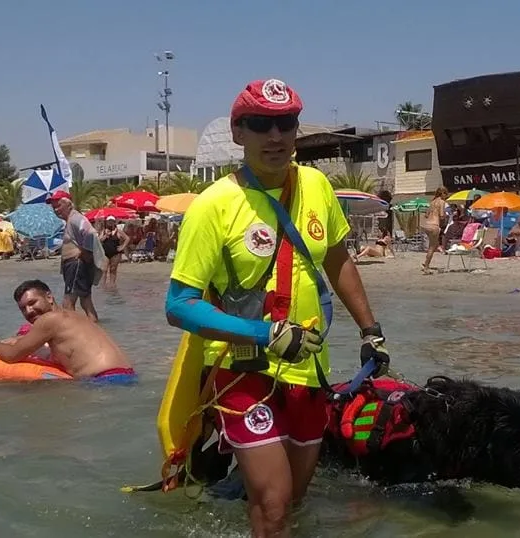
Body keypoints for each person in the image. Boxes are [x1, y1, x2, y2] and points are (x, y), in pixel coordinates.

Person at [165, 79, 389, 537]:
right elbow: (179, 307)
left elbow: (336, 259)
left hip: (309, 372)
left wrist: (371, 329)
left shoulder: (317, 186)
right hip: (243, 372)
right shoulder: (213, 206)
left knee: (294, 500)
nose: (275, 136)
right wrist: (265, 334)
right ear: (238, 132)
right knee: (273, 505)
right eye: (260, 124)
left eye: (285, 123)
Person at [0, 279, 135, 382]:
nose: (29, 311)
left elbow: (11, 356)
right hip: (127, 376)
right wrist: (15, 341)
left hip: (105, 381)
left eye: (32, 302)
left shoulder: (48, 320)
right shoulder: (71, 316)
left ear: (49, 297)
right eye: (23, 308)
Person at [47, 190, 105, 322]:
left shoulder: (75, 218)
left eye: (58, 205)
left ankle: (71, 334)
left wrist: (84, 252)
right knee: (86, 302)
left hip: (76, 264)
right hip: (76, 265)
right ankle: (95, 331)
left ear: (69, 205)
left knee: (68, 303)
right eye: (54, 207)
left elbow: (91, 233)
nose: (56, 210)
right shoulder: (70, 220)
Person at [421, 187, 448, 274]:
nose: (446, 196)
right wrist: (446, 216)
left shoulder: (432, 202)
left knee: (435, 244)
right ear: (443, 193)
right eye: (446, 194)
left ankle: (425, 263)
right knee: (431, 247)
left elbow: (426, 215)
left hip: (426, 225)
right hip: (434, 225)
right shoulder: (442, 202)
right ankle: (426, 267)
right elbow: (441, 215)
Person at [100, 216, 130, 289]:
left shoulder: (118, 231)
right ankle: (102, 285)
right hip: (105, 252)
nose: (110, 222)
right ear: (106, 222)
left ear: (114, 222)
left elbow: (127, 238)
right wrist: (106, 235)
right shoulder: (104, 231)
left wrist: (122, 247)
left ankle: (112, 285)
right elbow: (99, 240)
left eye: (112, 221)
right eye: (109, 221)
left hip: (115, 253)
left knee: (113, 269)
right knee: (104, 269)